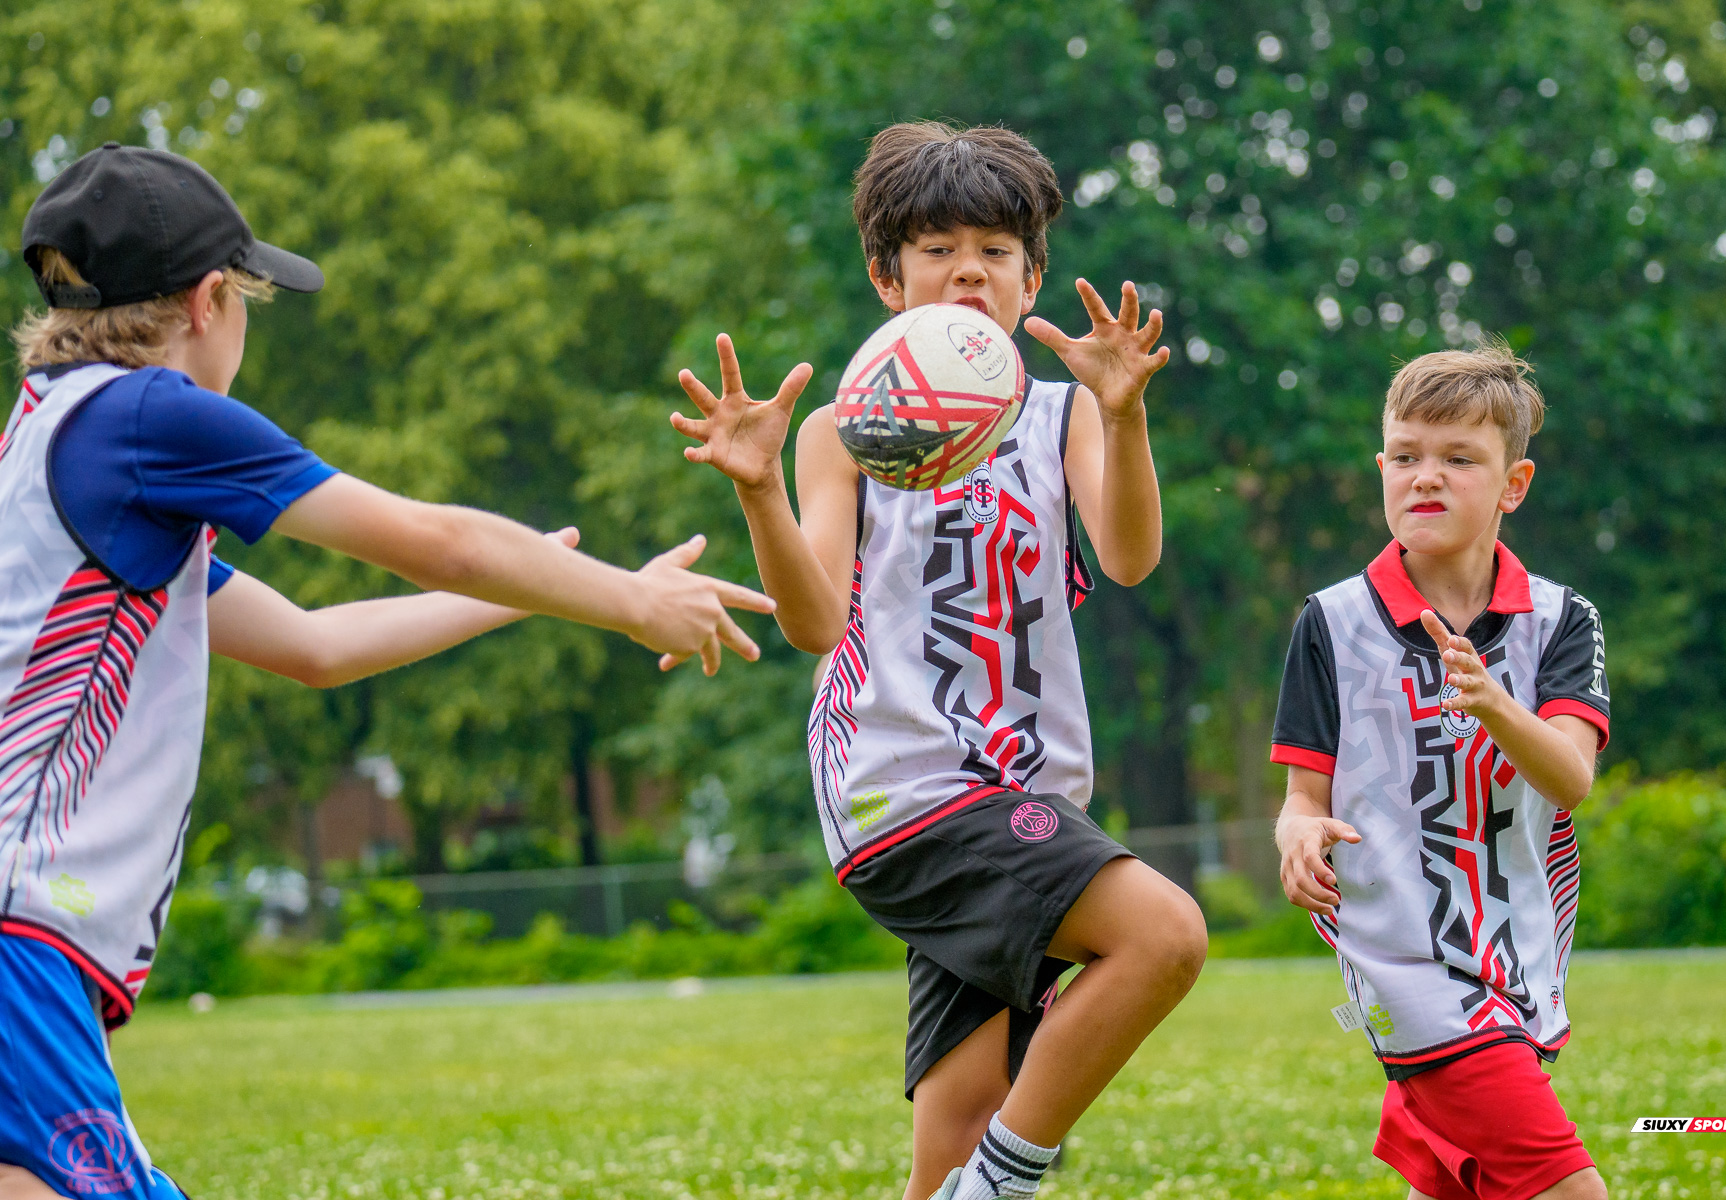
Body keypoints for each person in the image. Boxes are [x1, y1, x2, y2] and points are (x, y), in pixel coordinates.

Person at [0, 143, 773, 1200]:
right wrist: (632, 603)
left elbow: (317, 646)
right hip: (20, 930)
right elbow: (432, 540)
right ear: (210, 300)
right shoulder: (147, 418)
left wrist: (543, 584)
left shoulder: (60, 441)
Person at [671, 121, 1209, 1200]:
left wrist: (1125, 414)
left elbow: (1131, 556)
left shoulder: (1064, 419)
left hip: (1026, 795)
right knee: (1164, 934)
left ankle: (974, 1176)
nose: (970, 270)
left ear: (1033, 276)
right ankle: (1008, 1181)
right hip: (906, 788)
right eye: (938, 249)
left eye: (998, 251)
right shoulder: (843, 430)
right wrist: (759, 487)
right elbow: (814, 622)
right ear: (888, 277)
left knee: (954, 1132)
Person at [1270, 342, 1610, 1200]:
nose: (1427, 477)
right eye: (1407, 456)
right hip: (1399, 961)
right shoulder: (1331, 622)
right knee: (1572, 1191)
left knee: (1459, 1188)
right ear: (1381, 467)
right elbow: (1301, 797)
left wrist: (1495, 704)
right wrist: (1301, 833)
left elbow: (1570, 779)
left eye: (1459, 459)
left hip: (1518, 959)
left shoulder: (1564, 620)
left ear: (1513, 485)